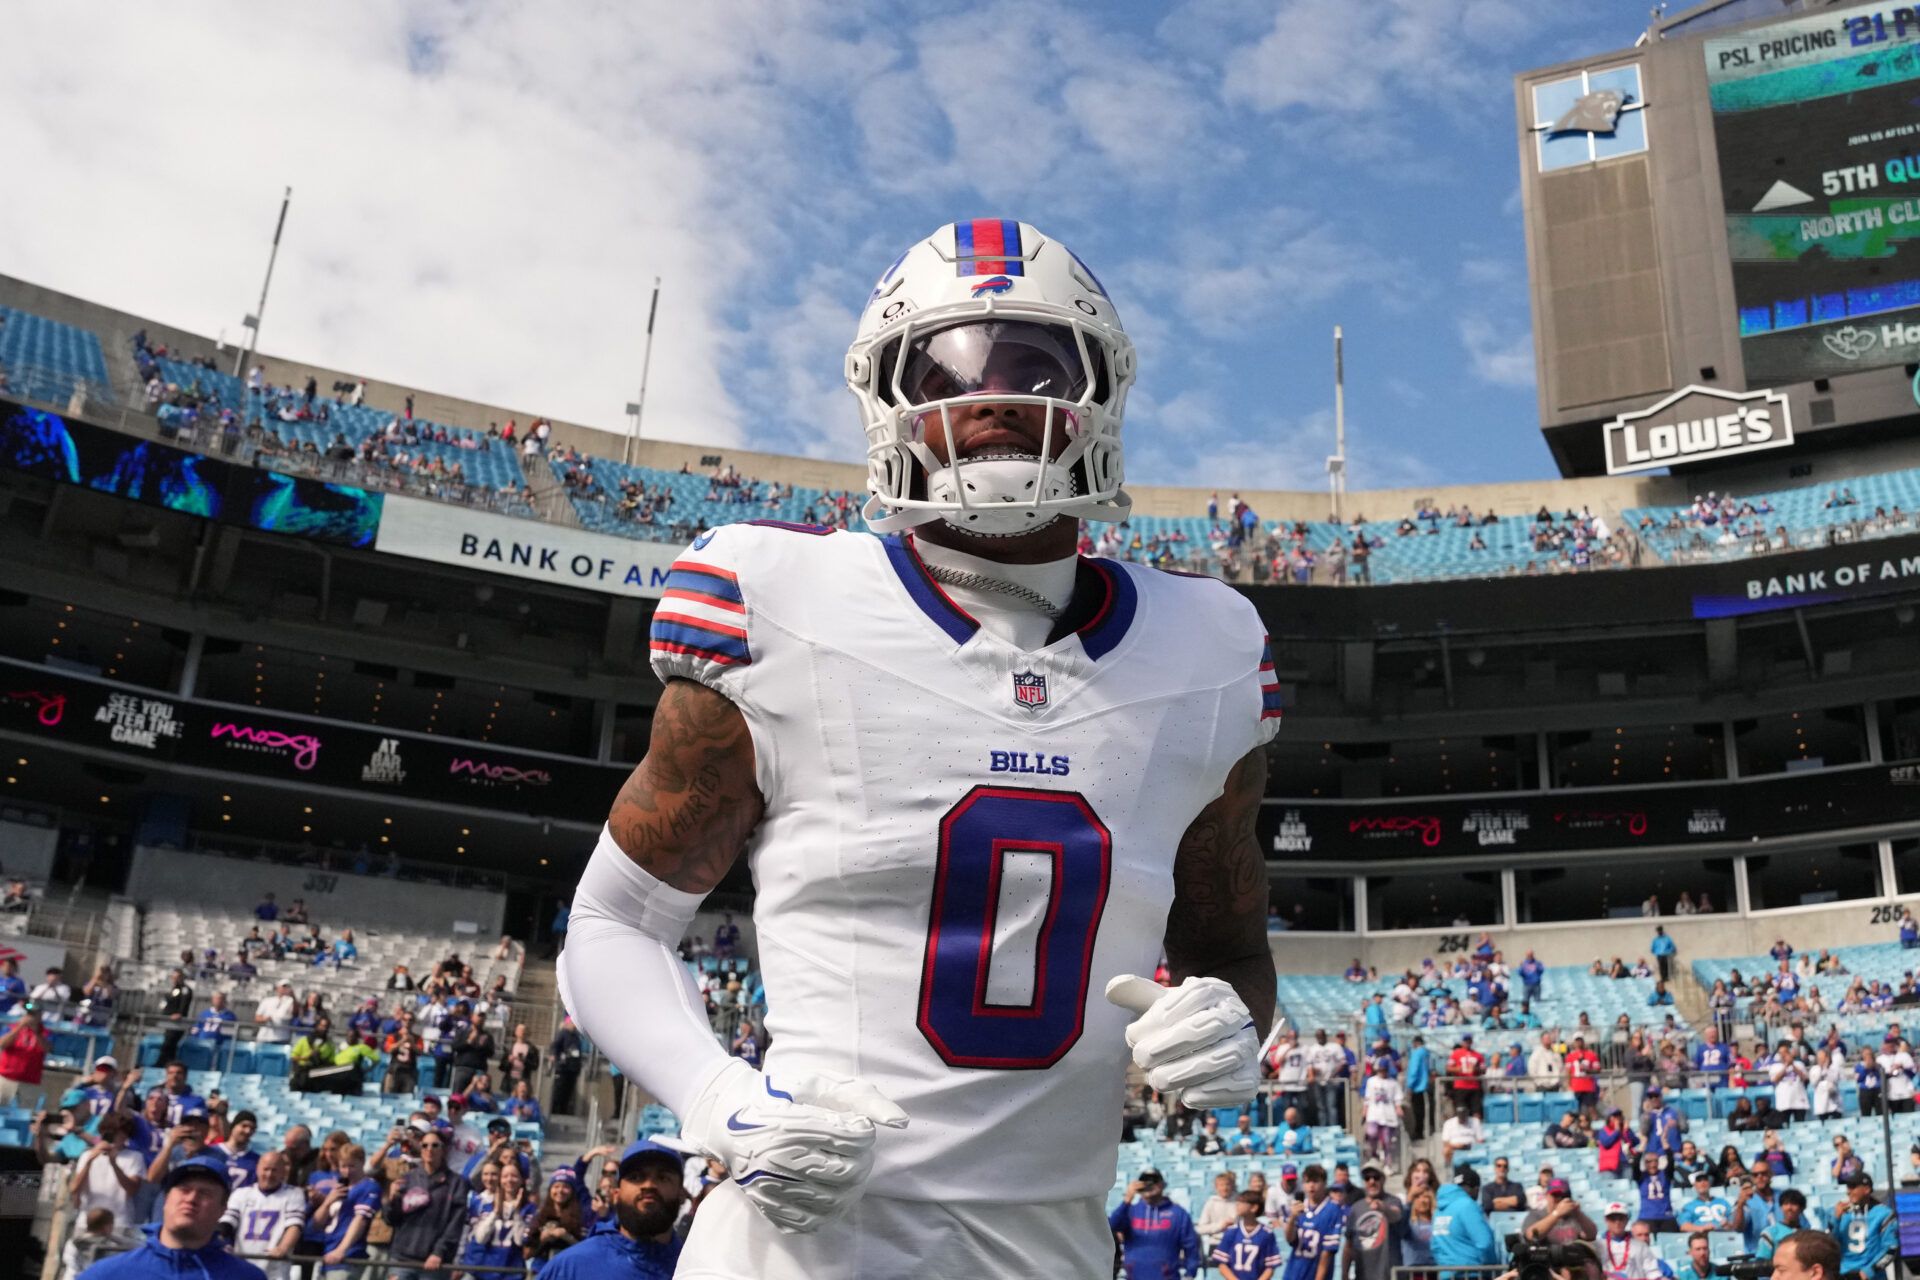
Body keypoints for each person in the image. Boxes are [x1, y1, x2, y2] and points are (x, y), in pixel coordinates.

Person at [559, 221, 1279, 1279]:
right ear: (887, 398)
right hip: (799, 1250)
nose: (989, 392)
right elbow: (613, 919)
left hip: (1053, 1251)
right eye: (944, 364)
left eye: (1034, 360)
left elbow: (1233, 951)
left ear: (1100, 392)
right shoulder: (779, 601)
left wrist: (1233, 1023)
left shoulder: (1208, 650)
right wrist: (718, 1097)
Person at [82, 1154, 267, 1280]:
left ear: (223, 1208)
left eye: (205, 1193)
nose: (191, 1198)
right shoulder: (108, 1274)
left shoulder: (246, 1277)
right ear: (166, 1199)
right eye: (184, 1190)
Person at [537, 1139, 687, 1280]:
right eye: (635, 1177)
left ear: (682, 1194)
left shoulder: (698, 1268)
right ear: (616, 1194)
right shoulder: (570, 1268)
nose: (648, 1185)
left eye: (663, 1178)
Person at [381, 1126, 469, 1278]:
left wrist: (439, 1252)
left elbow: (455, 1224)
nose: (429, 1149)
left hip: (434, 1263)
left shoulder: (456, 1183)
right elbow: (390, 1219)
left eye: (435, 1145)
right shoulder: (407, 1178)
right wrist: (392, 1199)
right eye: (425, 1145)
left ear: (444, 1150)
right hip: (402, 1258)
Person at [220, 1151, 305, 1280]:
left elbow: (294, 1226)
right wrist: (220, 1241)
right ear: (258, 1169)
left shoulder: (294, 1194)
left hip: (275, 1269)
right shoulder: (241, 1193)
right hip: (242, 1265)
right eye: (266, 1169)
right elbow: (228, 1223)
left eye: (274, 1170)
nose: (269, 1174)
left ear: (283, 1172)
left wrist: (283, 1248)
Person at [1112, 1167, 1204, 1280]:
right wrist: (1127, 1199)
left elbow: (1191, 1246)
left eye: (1154, 1181)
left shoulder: (1178, 1213)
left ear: (1162, 1185)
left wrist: (1190, 1274)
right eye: (1145, 1181)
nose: (1149, 1185)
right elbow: (1112, 1226)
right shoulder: (1130, 1211)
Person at [1521, 1177, 1600, 1280]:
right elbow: (1531, 1235)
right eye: (1555, 1195)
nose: (1559, 1199)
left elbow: (1591, 1234)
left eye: (1564, 1196)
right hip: (1548, 1264)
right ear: (1547, 1196)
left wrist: (1578, 1213)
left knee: (1591, 1267)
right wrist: (1556, 1214)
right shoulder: (1537, 1215)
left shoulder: (1575, 1216)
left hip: (1573, 1263)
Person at [1281, 1164, 1345, 1280]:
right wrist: (1292, 1218)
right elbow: (1289, 1239)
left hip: (1315, 1271)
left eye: (1315, 1181)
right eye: (1307, 1182)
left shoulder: (1332, 1210)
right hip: (1293, 1271)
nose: (1311, 1186)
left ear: (1324, 1183)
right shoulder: (1298, 1206)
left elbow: (1327, 1252)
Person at [1431, 1167, 1501, 1273]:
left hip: (1446, 1273)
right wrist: (1492, 1269)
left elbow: (1434, 1247)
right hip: (1472, 1273)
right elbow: (1484, 1243)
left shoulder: (1438, 1210)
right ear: (1476, 1188)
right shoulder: (1468, 1205)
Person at [1342, 1167, 1402, 1280]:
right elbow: (1348, 1245)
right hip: (1362, 1275)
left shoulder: (1393, 1201)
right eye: (1367, 1178)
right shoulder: (1356, 1208)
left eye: (1376, 1177)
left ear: (1383, 1179)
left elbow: (1396, 1215)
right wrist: (1344, 1273)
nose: (1372, 1181)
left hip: (1388, 1275)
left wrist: (1383, 1208)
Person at [1832, 1173, 1896, 1280]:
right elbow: (1830, 1246)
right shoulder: (1841, 1214)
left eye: (1853, 1187)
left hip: (1872, 1276)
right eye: (1848, 1187)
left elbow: (1891, 1249)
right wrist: (1836, 1219)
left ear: (1866, 1189)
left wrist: (1869, 1271)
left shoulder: (1884, 1213)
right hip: (1844, 1274)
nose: (1848, 1192)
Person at [0, 1000, 48, 1104]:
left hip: (30, 1082)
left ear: (40, 1015)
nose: (30, 1017)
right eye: (29, 1014)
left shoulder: (45, 1031)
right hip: (6, 1078)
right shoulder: (13, 1027)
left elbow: (47, 1049)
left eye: (34, 1015)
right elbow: (2, 1044)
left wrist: (36, 1032)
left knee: (25, 1115)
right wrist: (19, 1028)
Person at [1757, 1190, 1813, 1259]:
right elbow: (1762, 1261)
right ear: (1781, 1207)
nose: (1789, 1207)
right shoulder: (1770, 1233)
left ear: (1801, 1208)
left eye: (1794, 1204)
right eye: (1786, 1204)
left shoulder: (1807, 1236)